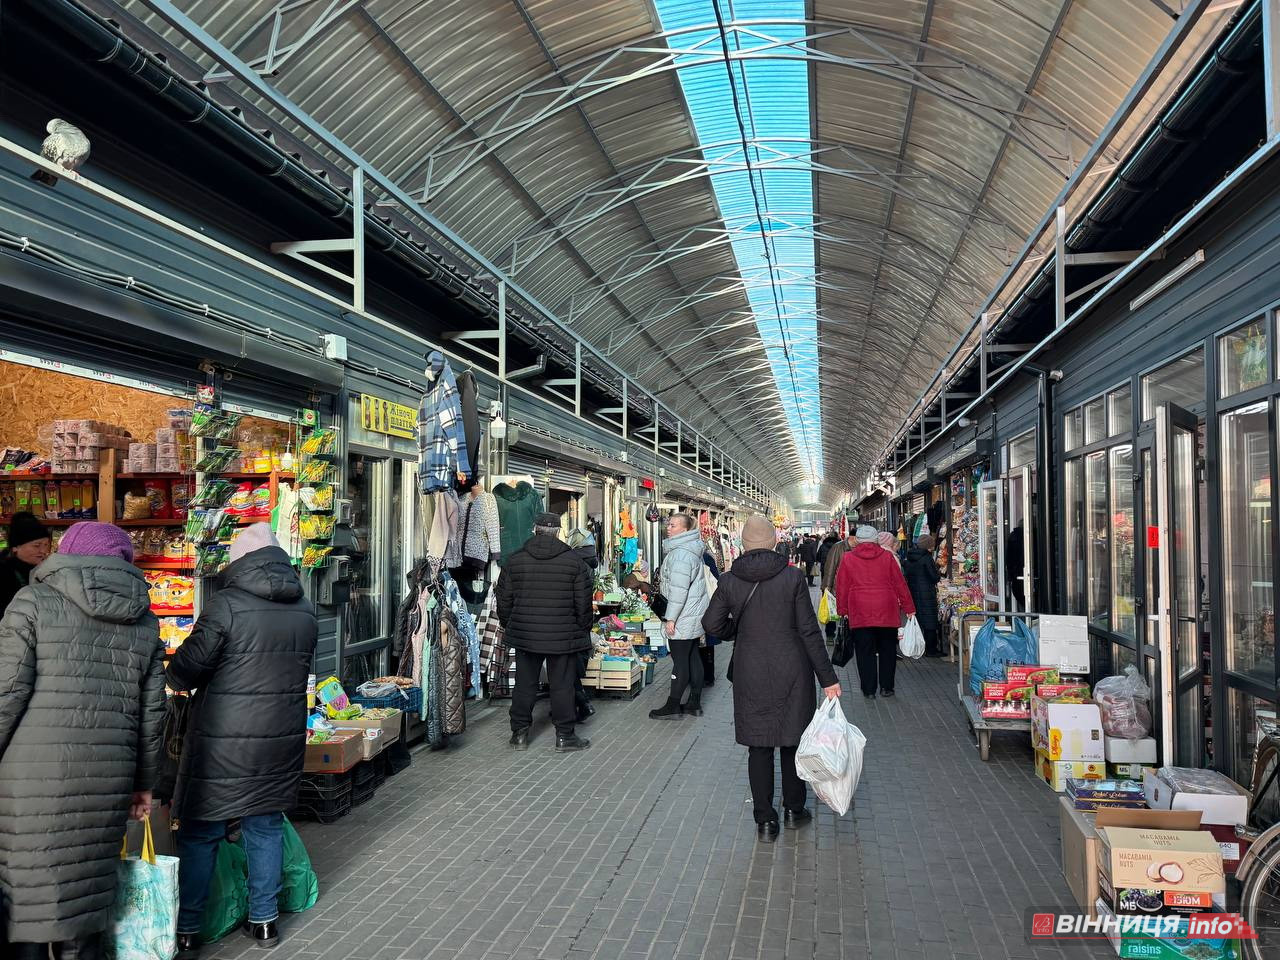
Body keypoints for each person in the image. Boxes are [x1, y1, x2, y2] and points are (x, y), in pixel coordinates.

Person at [0, 521, 165, 959]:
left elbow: (6, 690)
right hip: (108, 779)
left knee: (29, 900)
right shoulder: (145, 620)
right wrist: (143, 784)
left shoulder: (32, 602)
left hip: (32, 780)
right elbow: (153, 715)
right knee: (88, 895)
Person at [166, 524, 318, 956]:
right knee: (265, 827)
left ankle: (189, 927)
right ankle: (264, 921)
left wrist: (174, 677)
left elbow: (188, 668)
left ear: (239, 562)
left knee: (201, 832)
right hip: (280, 737)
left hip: (222, 742)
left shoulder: (226, 604)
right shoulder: (305, 608)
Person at [702, 515, 840, 843]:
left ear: (744, 544)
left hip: (750, 670)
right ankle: (794, 809)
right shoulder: (792, 578)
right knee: (791, 741)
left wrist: (736, 631)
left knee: (759, 747)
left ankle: (765, 821)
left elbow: (711, 623)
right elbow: (808, 631)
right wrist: (828, 678)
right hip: (793, 670)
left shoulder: (730, 579)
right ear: (775, 541)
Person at [496, 511, 593, 752]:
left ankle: (519, 734)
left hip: (526, 635)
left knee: (524, 684)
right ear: (559, 531)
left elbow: (504, 599)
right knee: (562, 685)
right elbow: (583, 604)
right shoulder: (574, 562)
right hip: (563, 635)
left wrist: (510, 623)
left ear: (534, 529)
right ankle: (565, 736)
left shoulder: (515, 560)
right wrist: (583, 628)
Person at [835, 524, 916, 699]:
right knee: (887, 649)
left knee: (864, 651)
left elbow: (841, 586)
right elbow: (900, 584)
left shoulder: (848, 558)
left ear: (858, 540)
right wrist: (909, 608)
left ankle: (869, 690)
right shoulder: (887, 557)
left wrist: (842, 609)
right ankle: (887, 688)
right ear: (875, 539)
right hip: (886, 608)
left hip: (859, 609)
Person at [649, 513, 711, 719]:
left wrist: (670, 618)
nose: (668, 527)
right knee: (693, 657)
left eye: (673, 525)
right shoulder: (689, 550)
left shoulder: (681, 555)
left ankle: (673, 705)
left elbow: (678, 591)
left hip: (682, 616)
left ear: (684, 530)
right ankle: (694, 702)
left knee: (680, 660)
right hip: (692, 614)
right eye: (669, 524)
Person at [902, 533, 945, 658]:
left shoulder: (909, 558)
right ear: (928, 545)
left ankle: (919, 646)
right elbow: (934, 576)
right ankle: (931, 649)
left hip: (914, 592)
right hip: (927, 593)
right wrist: (937, 576)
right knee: (930, 622)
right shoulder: (926, 558)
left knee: (919, 620)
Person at [0, 512, 51, 615]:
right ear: (15, 547)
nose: (43, 551)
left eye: (46, 545)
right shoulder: (3, 574)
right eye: (37, 546)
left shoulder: (48, 571)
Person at [700, 548, 721, 687]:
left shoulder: (705, 558)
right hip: (705, 607)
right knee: (705, 646)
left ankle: (705, 676)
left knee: (703, 645)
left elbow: (715, 582)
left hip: (703, 606)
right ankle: (706, 676)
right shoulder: (706, 557)